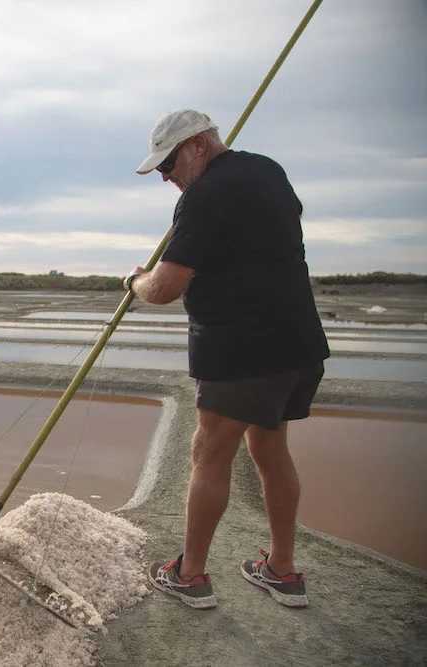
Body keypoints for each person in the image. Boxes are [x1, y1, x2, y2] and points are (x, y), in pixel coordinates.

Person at [125, 109, 330, 609]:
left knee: (209, 455)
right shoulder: (267, 171)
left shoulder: (205, 196)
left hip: (242, 349)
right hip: (298, 343)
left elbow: (165, 288)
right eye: (159, 171)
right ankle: (282, 571)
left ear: (197, 145)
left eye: (168, 164)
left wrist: (134, 282)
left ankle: (189, 576)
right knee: (271, 451)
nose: (166, 178)